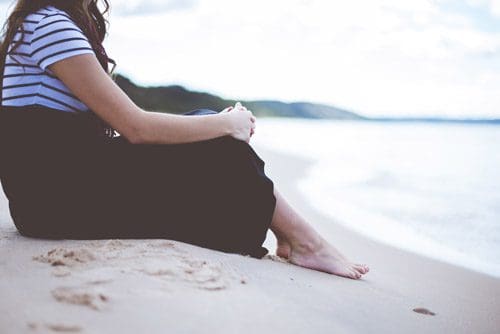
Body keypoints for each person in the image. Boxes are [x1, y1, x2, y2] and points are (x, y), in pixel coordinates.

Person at [0, 0, 369, 279]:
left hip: (51, 196)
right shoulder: (49, 24)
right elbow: (138, 128)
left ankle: (294, 240)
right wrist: (229, 127)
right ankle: (306, 243)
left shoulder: (40, 23)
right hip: (55, 201)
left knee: (208, 126)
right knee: (220, 143)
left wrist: (219, 125)